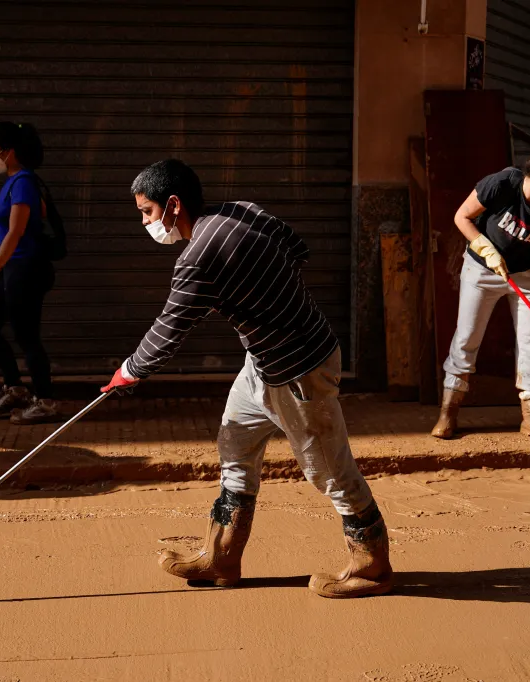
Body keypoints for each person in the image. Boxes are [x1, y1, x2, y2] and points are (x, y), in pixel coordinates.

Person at [100, 159, 393, 598]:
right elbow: (297, 249)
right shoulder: (242, 209)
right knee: (234, 442)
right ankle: (222, 557)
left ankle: (372, 567)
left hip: (299, 371)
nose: (144, 221)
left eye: (146, 211)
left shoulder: (197, 257)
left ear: (173, 205)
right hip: (262, 364)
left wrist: (128, 372)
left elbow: (169, 329)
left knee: (330, 472)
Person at [431, 143, 530, 443]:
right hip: (482, 270)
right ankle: (448, 412)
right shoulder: (501, 184)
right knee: (467, 338)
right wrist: (486, 249)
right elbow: (462, 217)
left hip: (527, 275)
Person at [0, 121, 60, 425]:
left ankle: (46, 401)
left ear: (9, 152)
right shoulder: (13, 182)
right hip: (10, 267)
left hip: (24, 268)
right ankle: (15, 388)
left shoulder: (23, 181)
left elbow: (16, 232)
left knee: (27, 336)